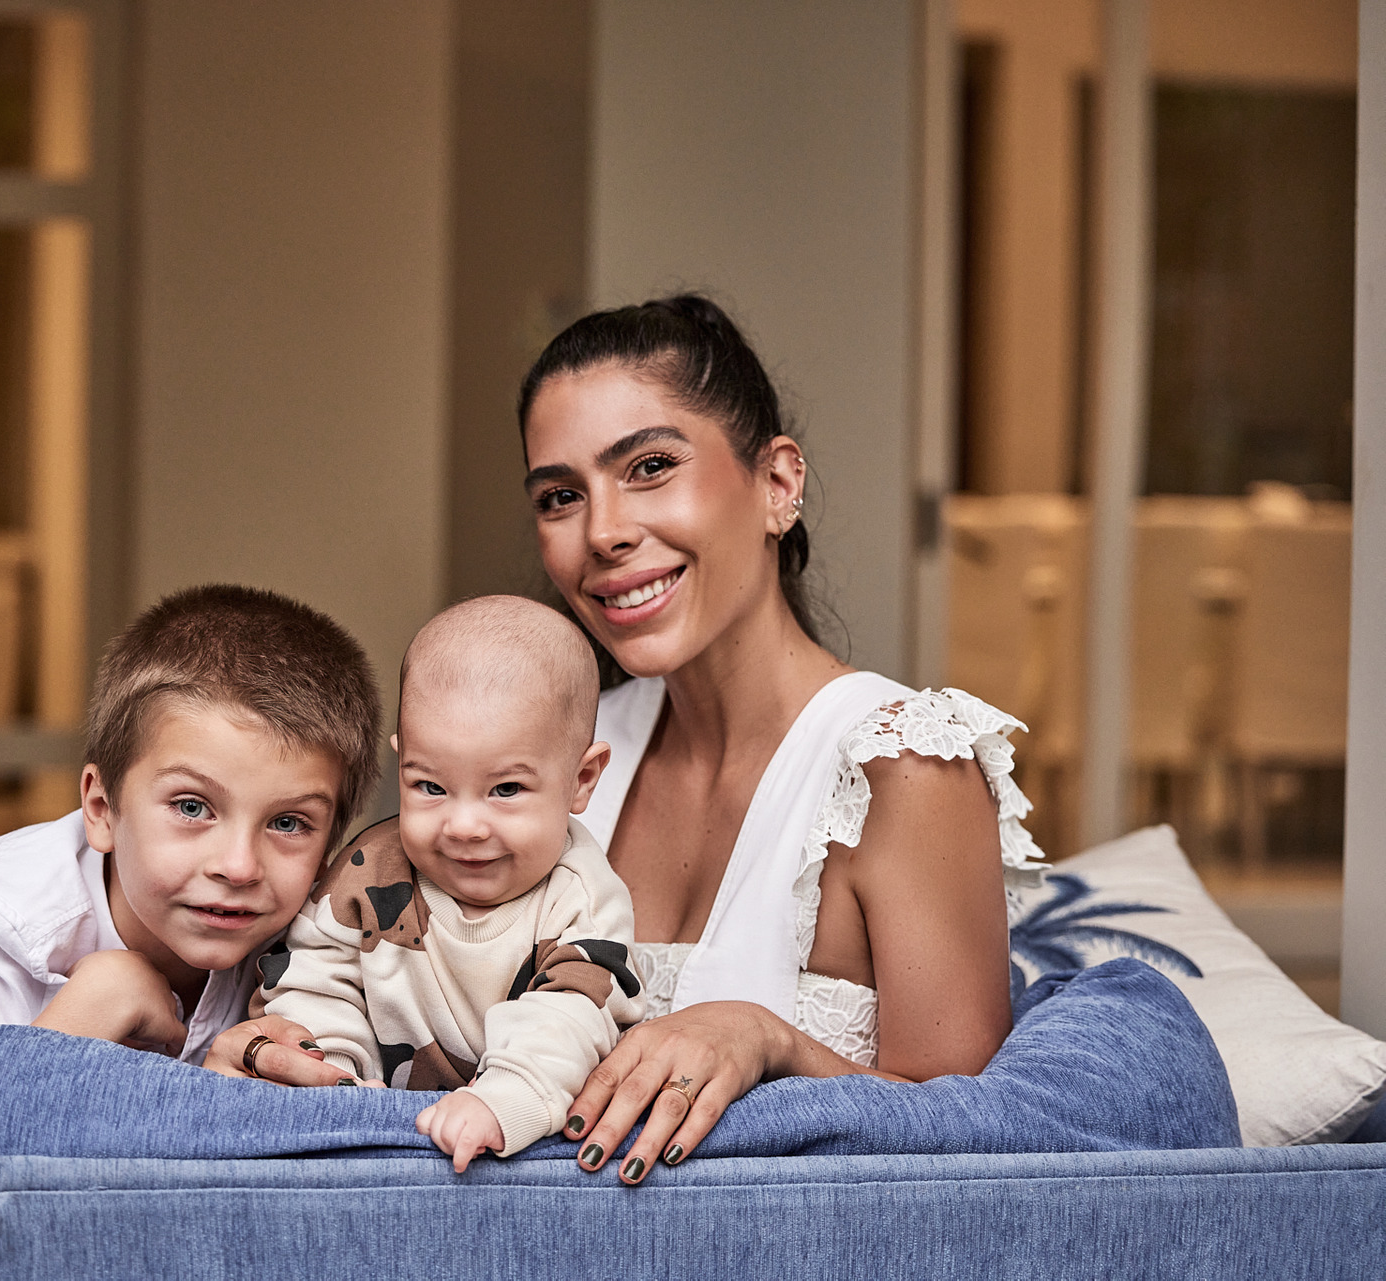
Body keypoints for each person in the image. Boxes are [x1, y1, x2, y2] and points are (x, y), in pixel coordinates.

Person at [210, 295, 1045, 1188]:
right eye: (560, 496)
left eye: (650, 466)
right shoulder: (546, 757)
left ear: (777, 483)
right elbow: (399, 993)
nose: (602, 532)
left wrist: (766, 1040)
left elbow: (981, 1155)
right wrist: (271, 1045)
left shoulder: (905, 766)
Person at [0, 584, 382, 1068]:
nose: (239, 867)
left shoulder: (327, 936)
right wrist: (92, 1009)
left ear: (329, 849)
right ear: (102, 808)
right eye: (191, 807)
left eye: (288, 823)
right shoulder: (2, 910)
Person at [257, 596, 642, 1170]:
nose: (463, 826)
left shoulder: (579, 896)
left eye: (506, 790)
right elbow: (316, 980)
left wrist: (503, 1099)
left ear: (582, 779)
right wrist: (329, 1074)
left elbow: (573, 1013)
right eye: (430, 787)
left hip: (525, 1138)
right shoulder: (367, 870)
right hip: (378, 1129)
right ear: (403, 763)